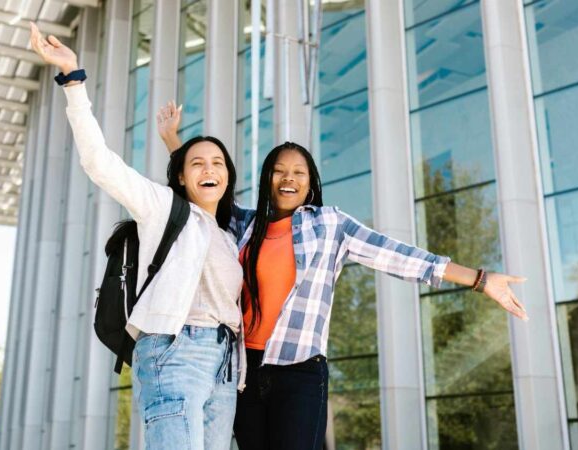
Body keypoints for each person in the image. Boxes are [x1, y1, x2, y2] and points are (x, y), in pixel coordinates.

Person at [157, 104, 528, 450]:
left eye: (298, 173)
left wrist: (480, 279)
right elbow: (203, 188)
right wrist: (172, 140)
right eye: (279, 171)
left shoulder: (329, 224)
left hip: (300, 372)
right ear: (266, 179)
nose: (288, 179)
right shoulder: (245, 225)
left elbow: (399, 256)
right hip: (243, 373)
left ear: (310, 181)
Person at [29, 24, 246, 450]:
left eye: (218, 163)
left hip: (225, 363)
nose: (209, 169)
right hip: (177, 350)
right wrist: (73, 79)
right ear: (180, 178)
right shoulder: (162, 207)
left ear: (228, 176)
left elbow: (200, 186)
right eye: (198, 164)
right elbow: (99, 163)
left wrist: (176, 142)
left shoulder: (227, 233)